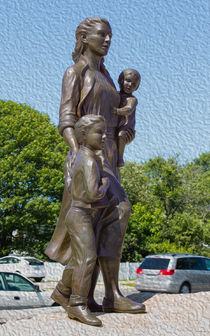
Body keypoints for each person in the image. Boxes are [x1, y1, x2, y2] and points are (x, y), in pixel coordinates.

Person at [45, 17, 145, 325]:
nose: (107, 40)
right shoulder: (76, 72)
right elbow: (65, 117)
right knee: (119, 210)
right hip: (89, 155)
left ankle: (73, 290)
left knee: (104, 221)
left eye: (110, 36)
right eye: (102, 35)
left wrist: (126, 126)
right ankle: (104, 293)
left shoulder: (107, 77)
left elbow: (114, 117)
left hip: (110, 157)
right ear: (84, 38)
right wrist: (77, 152)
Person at [64, 115, 109, 326]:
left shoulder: (81, 157)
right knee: (88, 258)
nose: (104, 136)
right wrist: (106, 183)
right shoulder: (90, 160)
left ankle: (61, 291)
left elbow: (71, 185)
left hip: (76, 214)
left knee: (78, 258)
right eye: (99, 132)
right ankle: (77, 304)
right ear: (83, 135)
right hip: (81, 214)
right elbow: (93, 194)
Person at [113, 69, 141, 167]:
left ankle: (120, 158)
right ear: (121, 80)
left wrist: (117, 111)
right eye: (128, 81)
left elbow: (128, 109)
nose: (130, 85)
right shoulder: (114, 95)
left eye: (134, 84)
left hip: (125, 126)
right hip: (115, 125)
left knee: (121, 135)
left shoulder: (132, 99)